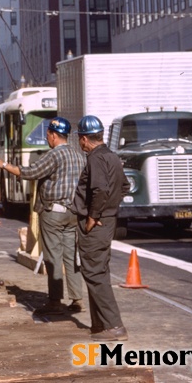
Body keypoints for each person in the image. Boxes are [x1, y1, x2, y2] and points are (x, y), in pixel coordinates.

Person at [0, 117, 85, 316]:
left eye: (48, 134)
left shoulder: (54, 155)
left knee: (53, 257)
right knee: (71, 256)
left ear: (54, 135)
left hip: (53, 213)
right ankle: (76, 299)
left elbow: (30, 172)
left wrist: (3, 164)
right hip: (73, 213)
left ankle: (55, 301)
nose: (47, 138)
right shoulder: (79, 156)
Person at [71, 115, 131, 342]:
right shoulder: (112, 156)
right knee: (98, 271)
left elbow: (99, 190)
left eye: (80, 139)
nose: (80, 143)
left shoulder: (95, 159)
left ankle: (114, 325)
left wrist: (93, 217)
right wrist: (109, 209)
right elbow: (124, 186)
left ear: (84, 139)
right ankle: (100, 323)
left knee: (94, 273)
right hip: (108, 222)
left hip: (96, 225)